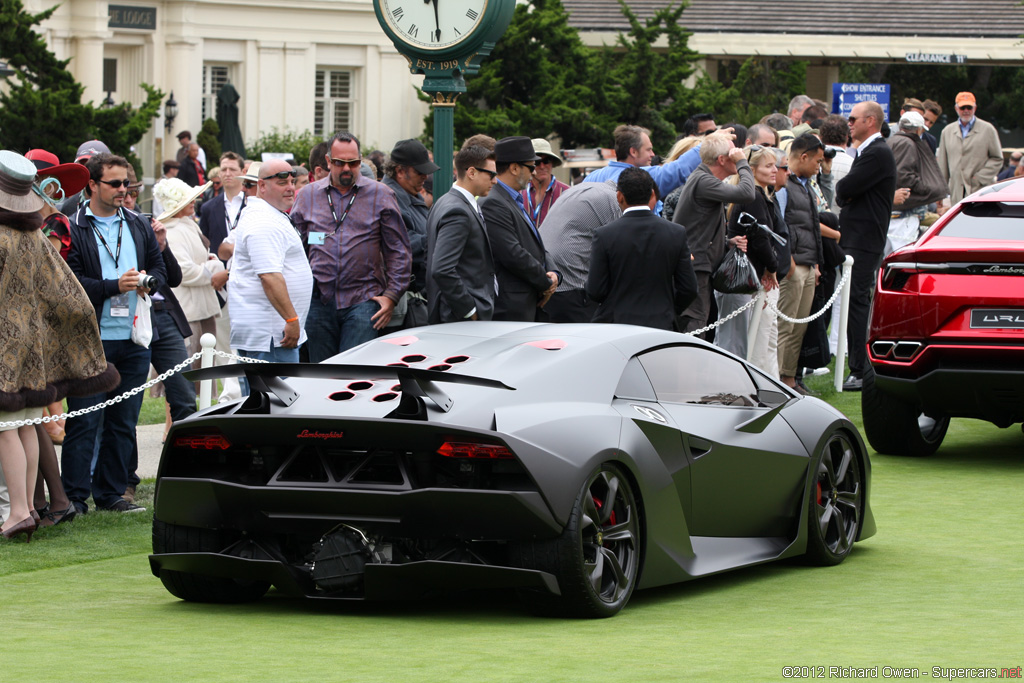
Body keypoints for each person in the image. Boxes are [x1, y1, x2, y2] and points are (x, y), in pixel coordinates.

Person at [0, 150, 119, 539]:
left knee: (7, 427)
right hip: (30, 346)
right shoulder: (33, 234)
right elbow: (69, 295)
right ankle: (30, 508)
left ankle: (18, 509)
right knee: (26, 424)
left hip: (3, 345)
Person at [63, 152, 167, 514]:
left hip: (135, 337)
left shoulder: (138, 223)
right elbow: (71, 283)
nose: (123, 189)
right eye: (115, 183)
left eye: (127, 183)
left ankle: (110, 494)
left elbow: (159, 267)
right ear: (92, 185)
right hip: (92, 340)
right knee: (85, 419)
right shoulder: (74, 225)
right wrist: (114, 286)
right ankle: (74, 498)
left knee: (123, 422)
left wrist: (148, 285)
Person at [291, 132, 410, 360]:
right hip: (318, 300)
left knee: (352, 372)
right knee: (321, 372)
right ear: (328, 161)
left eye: (353, 163)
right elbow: (296, 247)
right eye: (339, 163)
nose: (347, 169)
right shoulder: (307, 196)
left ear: (361, 160)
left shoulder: (381, 195)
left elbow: (398, 250)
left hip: (363, 300)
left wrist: (392, 295)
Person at [228, 159, 313, 387]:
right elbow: (269, 276)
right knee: (272, 412)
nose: (290, 187)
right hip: (271, 337)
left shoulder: (270, 213)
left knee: (271, 411)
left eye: (292, 181)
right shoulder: (263, 220)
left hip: (273, 335)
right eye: (282, 182)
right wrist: (291, 319)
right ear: (262, 186)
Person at [586, 167, 697, 330]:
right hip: (662, 323)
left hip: (616, 324)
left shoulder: (604, 235)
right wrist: (669, 308)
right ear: (652, 194)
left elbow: (595, 290)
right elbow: (689, 288)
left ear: (619, 196)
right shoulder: (676, 233)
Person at [836, 101, 897, 391]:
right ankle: (858, 366)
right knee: (855, 301)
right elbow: (846, 193)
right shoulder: (870, 152)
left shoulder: (877, 153)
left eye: (853, 118)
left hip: (864, 240)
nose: (849, 123)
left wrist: (846, 193)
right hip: (858, 238)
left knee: (858, 302)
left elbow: (844, 189)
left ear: (870, 121)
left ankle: (859, 369)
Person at [673, 133, 755, 334]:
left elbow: (699, 226)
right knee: (696, 322)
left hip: (699, 264)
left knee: (702, 321)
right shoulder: (704, 181)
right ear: (721, 159)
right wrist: (743, 163)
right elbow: (747, 193)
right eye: (733, 153)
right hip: (697, 266)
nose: (738, 155)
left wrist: (726, 241)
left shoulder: (703, 179)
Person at [715, 146, 782, 369]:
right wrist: (771, 268)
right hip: (746, 278)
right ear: (751, 169)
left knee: (765, 339)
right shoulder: (753, 196)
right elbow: (761, 239)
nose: (775, 170)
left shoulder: (761, 195)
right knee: (750, 342)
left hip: (753, 276)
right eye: (768, 165)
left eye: (775, 165)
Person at [481, 136, 560, 322]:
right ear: (515, 168)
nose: (534, 172)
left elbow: (537, 244)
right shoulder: (493, 202)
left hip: (525, 304)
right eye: (531, 167)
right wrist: (545, 282)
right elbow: (512, 253)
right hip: (510, 309)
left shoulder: (512, 198)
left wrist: (555, 274)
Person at [425, 145, 498, 323]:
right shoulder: (457, 210)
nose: (495, 181)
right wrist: (469, 309)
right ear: (471, 172)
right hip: (457, 317)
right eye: (491, 175)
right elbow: (442, 269)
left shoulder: (445, 202)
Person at [776, 134, 826, 392]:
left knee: (799, 327)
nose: (820, 165)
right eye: (817, 160)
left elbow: (811, 228)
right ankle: (779, 380)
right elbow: (780, 225)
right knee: (786, 326)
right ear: (803, 157)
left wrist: (816, 264)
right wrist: (790, 263)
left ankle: (789, 379)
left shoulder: (806, 185)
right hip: (794, 266)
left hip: (808, 265)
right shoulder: (784, 185)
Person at [156, 178, 226, 358]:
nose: (194, 201)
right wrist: (216, 266)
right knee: (189, 367)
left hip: (203, 308)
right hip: (189, 311)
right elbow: (184, 271)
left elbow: (196, 258)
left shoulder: (188, 224)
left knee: (204, 368)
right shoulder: (172, 230)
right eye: (188, 199)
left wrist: (209, 259)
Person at [542, 179, 621, 323]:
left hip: (548, 277)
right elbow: (620, 254)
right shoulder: (613, 199)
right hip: (572, 285)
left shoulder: (580, 189)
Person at [382, 139, 438, 329]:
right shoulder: (389, 198)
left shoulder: (410, 194)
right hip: (403, 304)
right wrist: (443, 238)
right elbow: (404, 245)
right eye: (419, 171)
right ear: (400, 171)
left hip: (414, 300)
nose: (425, 176)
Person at [583, 124, 701, 213]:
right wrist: (713, 140)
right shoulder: (643, 176)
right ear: (633, 152)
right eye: (648, 149)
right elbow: (680, 169)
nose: (653, 154)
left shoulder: (593, 177)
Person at [887, 111, 947, 252]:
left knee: (888, 255)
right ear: (919, 129)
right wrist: (927, 187)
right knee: (902, 254)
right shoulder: (908, 144)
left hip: (893, 212)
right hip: (904, 214)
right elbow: (905, 176)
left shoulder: (892, 141)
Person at [936, 91, 1002, 206]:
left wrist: (979, 178)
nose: (966, 110)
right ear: (956, 109)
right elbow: (943, 166)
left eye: (969, 107)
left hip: (981, 190)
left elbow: (997, 158)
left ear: (975, 108)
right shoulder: (947, 131)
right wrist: (940, 193)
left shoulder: (988, 129)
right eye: (962, 107)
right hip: (957, 192)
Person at [199, 151, 246, 265]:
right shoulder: (208, 208)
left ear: (243, 172)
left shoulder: (252, 203)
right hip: (219, 270)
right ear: (219, 173)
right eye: (224, 170)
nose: (228, 173)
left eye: (233, 169)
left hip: (247, 269)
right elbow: (203, 243)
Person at [522, 138, 568, 227]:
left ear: (552, 163)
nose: (542, 166)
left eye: (546, 161)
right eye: (537, 162)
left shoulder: (567, 193)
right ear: (530, 165)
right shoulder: (519, 193)